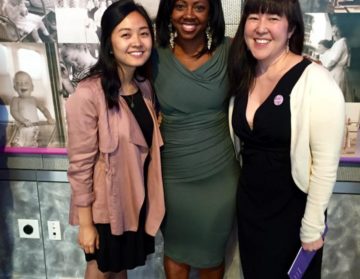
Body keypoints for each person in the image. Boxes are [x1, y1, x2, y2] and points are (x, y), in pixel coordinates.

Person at [228, 0, 345, 278]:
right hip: (251, 209)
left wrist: (312, 227)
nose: (261, 28)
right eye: (254, 17)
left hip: (294, 215)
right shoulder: (245, 74)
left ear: (291, 28)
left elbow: (326, 165)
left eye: (273, 18)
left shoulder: (315, 80)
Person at [66, 1, 165, 278]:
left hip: (133, 201)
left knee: (120, 269)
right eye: (126, 34)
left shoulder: (145, 88)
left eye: (144, 33)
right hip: (105, 210)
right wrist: (86, 225)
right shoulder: (88, 94)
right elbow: (80, 166)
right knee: (100, 270)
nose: (137, 41)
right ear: (109, 42)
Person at [153, 0, 241, 278]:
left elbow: (273, 66)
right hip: (172, 177)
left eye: (199, 7)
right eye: (180, 6)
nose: (189, 15)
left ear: (211, 13)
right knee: (175, 251)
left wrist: (305, 64)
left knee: (212, 256)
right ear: (169, 12)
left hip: (219, 177)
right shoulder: (152, 56)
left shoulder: (231, 51)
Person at [10, 71, 55, 147]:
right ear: (15, 87)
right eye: (18, 83)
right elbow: (14, 112)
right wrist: (23, 120)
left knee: (33, 145)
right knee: (17, 145)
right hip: (22, 128)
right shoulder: (15, 100)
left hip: (34, 128)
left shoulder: (34, 100)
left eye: (26, 82)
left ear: (32, 87)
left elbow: (43, 109)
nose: (22, 85)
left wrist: (49, 118)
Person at [323, 23, 351, 101]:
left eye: (337, 31)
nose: (334, 34)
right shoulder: (339, 43)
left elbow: (333, 61)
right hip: (336, 71)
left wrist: (324, 70)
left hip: (337, 73)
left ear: (341, 32)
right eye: (333, 31)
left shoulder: (342, 42)